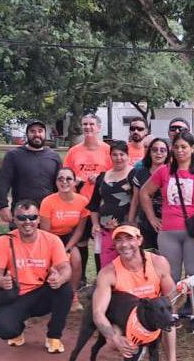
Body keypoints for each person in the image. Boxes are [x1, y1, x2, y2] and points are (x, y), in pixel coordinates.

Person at [92, 225, 188, 361]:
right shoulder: (108, 273)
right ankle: (135, 352)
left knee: (167, 318)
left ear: (140, 240)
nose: (124, 244)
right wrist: (114, 338)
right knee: (112, 337)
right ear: (114, 244)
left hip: (155, 315)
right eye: (119, 240)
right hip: (127, 319)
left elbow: (173, 302)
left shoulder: (158, 263)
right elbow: (98, 313)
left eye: (129, 239)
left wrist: (183, 292)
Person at [138, 131, 194, 322]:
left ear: (193, 149)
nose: (179, 151)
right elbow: (144, 193)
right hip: (168, 231)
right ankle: (172, 313)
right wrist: (152, 218)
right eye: (176, 147)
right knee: (171, 274)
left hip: (193, 232)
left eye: (184, 147)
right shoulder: (164, 171)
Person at [0, 200, 73, 353]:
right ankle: (17, 328)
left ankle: (54, 336)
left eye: (33, 217)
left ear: (39, 219)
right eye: (21, 218)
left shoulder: (52, 240)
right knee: (4, 330)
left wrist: (60, 278)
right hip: (16, 295)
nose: (28, 222)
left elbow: (65, 268)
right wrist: (2, 281)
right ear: (14, 219)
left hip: (41, 293)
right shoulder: (3, 241)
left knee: (65, 288)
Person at [0, 120, 62, 226]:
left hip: (47, 213)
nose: (37, 134)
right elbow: (3, 182)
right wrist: (3, 206)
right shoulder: (13, 155)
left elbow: (59, 184)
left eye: (40, 131)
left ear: (45, 134)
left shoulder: (53, 156)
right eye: (32, 131)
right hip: (22, 212)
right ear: (27, 134)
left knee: (45, 241)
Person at [39, 168, 90, 299]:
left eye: (68, 179)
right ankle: (46, 293)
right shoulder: (48, 201)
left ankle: (72, 296)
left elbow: (79, 230)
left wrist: (68, 247)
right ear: (56, 182)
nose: (64, 182)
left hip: (68, 236)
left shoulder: (82, 201)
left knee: (76, 260)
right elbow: (45, 232)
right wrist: (58, 251)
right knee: (53, 264)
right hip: (49, 238)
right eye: (60, 179)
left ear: (74, 182)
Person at [88, 141, 133, 270]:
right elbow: (94, 203)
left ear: (127, 155)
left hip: (126, 230)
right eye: (115, 155)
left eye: (122, 154)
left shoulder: (134, 175)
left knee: (127, 265)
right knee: (106, 267)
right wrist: (95, 224)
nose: (118, 158)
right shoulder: (102, 176)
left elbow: (137, 201)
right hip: (104, 230)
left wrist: (130, 223)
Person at [128, 138, 170, 251]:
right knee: (147, 258)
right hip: (145, 222)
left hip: (167, 223)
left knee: (166, 259)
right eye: (155, 150)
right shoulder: (141, 172)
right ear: (149, 152)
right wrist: (131, 221)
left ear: (168, 153)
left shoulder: (172, 173)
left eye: (163, 150)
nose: (158, 153)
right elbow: (135, 200)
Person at [64, 114, 114, 203]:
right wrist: (74, 179)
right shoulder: (73, 151)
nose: (87, 127)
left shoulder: (108, 150)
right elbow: (65, 175)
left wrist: (100, 178)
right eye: (85, 124)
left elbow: (117, 174)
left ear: (98, 128)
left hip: (102, 201)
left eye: (91, 124)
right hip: (77, 201)